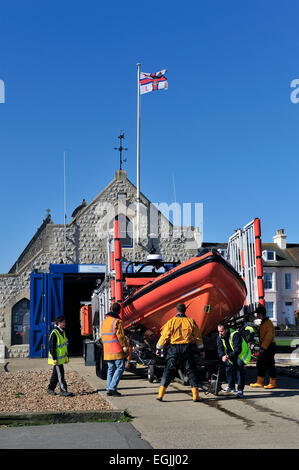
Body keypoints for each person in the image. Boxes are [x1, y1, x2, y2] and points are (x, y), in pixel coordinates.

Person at [155, 303, 205, 402]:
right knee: (191, 371)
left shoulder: (171, 322)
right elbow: (198, 337)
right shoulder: (191, 322)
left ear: (176, 311)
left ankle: (160, 395)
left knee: (168, 370)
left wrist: (158, 348)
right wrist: (201, 350)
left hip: (174, 349)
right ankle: (195, 396)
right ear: (185, 310)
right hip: (187, 348)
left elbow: (164, 336)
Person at [101, 302, 129, 397]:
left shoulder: (105, 321)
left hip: (107, 349)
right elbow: (121, 336)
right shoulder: (118, 321)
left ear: (111, 309)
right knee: (120, 367)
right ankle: (112, 388)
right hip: (116, 349)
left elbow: (102, 336)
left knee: (111, 369)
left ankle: (109, 388)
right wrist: (125, 347)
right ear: (119, 311)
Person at [217, 321, 251, 398]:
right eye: (219, 331)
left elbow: (238, 349)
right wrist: (222, 356)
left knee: (239, 369)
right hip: (231, 355)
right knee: (228, 368)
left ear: (226, 329)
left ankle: (240, 390)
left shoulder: (235, 335)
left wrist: (228, 356)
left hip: (242, 355)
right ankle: (231, 386)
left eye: (222, 331)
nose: (220, 333)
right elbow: (220, 348)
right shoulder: (220, 336)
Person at [250, 305, 277, 389]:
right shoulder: (264, 322)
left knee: (269, 365)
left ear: (260, 314)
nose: (256, 315)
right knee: (261, 364)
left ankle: (272, 383)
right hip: (267, 346)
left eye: (257, 314)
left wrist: (263, 348)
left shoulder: (267, 323)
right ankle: (260, 382)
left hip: (269, 347)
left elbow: (268, 337)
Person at [47, 315, 73, 397]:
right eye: (63, 322)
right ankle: (63, 390)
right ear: (59, 323)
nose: (65, 323)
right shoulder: (55, 333)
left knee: (55, 374)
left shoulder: (62, 332)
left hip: (60, 359)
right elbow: (52, 347)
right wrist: (54, 358)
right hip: (57, 359)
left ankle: (50, 389)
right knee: (60, 375)